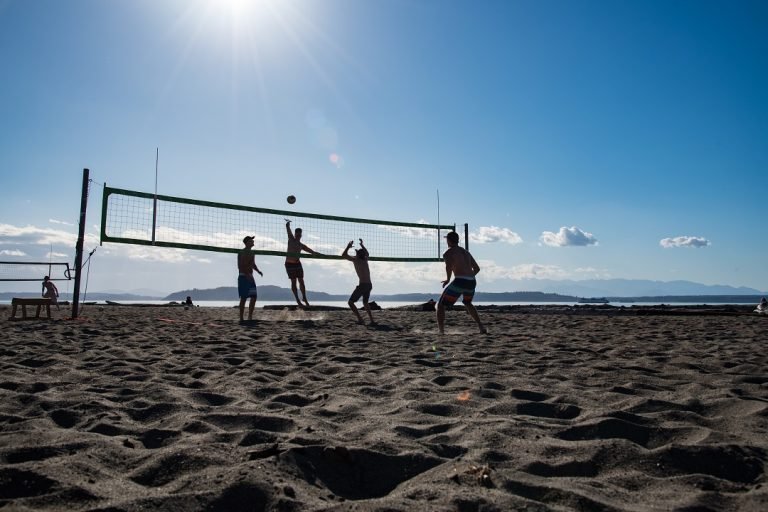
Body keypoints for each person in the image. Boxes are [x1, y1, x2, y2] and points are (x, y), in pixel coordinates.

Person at [436, 231, 486, 334]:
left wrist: (448, 279)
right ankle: (481, 327)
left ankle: (441, 331)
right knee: (468, 303)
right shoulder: (466, 252)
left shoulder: (448, 253)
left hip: (460, 280)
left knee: (440, 305)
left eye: (446, 239)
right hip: (472, 281)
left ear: (449, 240)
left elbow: (448, 267)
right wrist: (469, 277)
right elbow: (477, 268)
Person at [285, 220, 319, 308]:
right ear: (295, 234)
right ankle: (298, 300)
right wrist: (288, 225)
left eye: (300, 234)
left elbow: (310, 251)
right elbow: (288, 231)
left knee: (301, 281)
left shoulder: (301, 245)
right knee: (293, 282)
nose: (299, 235)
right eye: (297, 234)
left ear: (301, 235)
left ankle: (304, 298)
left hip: (297, 263)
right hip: (289, 264)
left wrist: (315, 253)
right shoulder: (291, 239)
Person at [341, 239, 375, 325]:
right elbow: (367, 253)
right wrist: (362, 245)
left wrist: (348, 247)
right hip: (369, 285)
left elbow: (343, 255)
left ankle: (360, 319)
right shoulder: (365, 259)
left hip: (363, 285)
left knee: (350, 302)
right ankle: (372, 320)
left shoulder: (356, 260)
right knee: (365, 302)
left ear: (358, 254)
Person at [238, 236, 263, 322]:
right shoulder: (242, 252)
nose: (253, 241)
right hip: (243, 276)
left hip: (250, 276)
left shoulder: (252, 252)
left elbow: (253, 264)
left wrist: (258, 271)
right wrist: (246, 274)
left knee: (254, 297)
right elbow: (240, 265)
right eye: (251, 240)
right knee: (244, 298)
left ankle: (250, 317)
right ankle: (241, 318)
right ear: (247, 242)